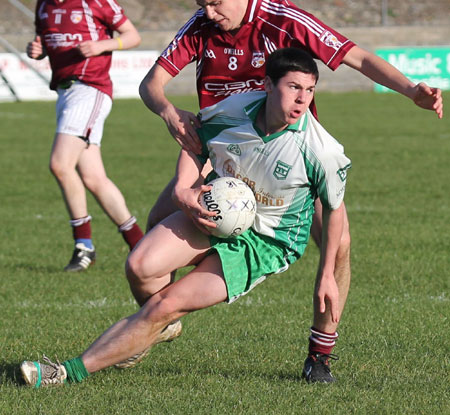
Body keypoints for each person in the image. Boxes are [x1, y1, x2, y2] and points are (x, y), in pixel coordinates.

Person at [137, 0, 443, 381]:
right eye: (201, 4)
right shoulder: (201, 27)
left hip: (291, 163)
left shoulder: (283, 20)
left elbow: (356, 57)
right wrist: (169, 112)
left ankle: (319, 356)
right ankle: (159, 321)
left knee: (338, 246)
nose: (207, 12)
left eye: (215, 3)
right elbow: (150, 84)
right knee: (152, 236)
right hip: (226, 159)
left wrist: (411, 90)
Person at [20, 47, 351, 387]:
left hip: (265, 241)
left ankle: (64, 373)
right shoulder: (234, 110)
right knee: (140, 267)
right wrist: (184, 188)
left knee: (165, 305)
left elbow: (334, 209)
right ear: (267, 85)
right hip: (216, 208)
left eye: (309, 90)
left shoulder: (320, 151)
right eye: (293, 87)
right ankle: (148, 330)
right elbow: (195, 143)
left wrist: (327, 273)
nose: (302, 99)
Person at [26, 0, 144, 272]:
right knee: (93, 177)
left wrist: (103, 44)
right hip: (65, 92)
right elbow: (44, 44)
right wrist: (35, 51)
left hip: (90, 89)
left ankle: (84, 245)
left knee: (60, 164)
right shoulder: (44, 3)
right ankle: (139, 242)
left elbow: (132, 35)